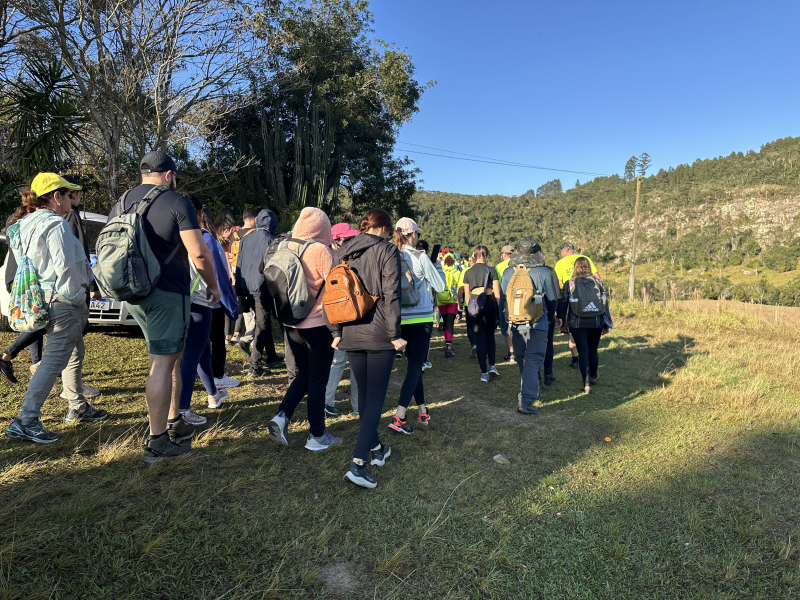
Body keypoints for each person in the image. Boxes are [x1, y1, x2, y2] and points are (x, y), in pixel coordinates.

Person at [112, 151, 220, 462]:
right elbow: (198, 253)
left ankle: (174, 422)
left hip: (134, 293)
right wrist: (212, 286)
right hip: (166, 293)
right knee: (162, 362)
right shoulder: (176, 201)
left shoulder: (121, 202)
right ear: (170, 175)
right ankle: (157, 441)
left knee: (170, 357)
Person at [4, 174, 108, 443]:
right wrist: (77, 300)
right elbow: (66, 269)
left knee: (73, 351)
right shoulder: (55, 225)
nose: (73, 200)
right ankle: (26, 419)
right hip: (63, 300)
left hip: (44, 297)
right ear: (55, 197)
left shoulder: (25, 224)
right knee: (53, 360)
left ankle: (78, 406)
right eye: (68, 194)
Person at [326, 209, 405, 489]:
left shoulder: (342, 251)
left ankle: (377, 448)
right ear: (384, 227)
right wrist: (395, 334)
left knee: (364, 394)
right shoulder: (387, 250)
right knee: (374, 398)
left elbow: (331, 292)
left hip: (349, 329)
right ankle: (358, 463)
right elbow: (392, 293)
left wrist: (335, 331)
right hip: (379, 332)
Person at [267, 208, 339, 451]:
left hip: (290, 324)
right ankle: (316, 434)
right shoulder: (320, 251)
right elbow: (334, 287)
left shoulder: (283, 246)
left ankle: (282, 415)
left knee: (304, 375)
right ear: (322, 229)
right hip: (317, 325)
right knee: (318, 379)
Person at [176, 196, 239, 426]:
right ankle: (182, 409)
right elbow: (220, 275)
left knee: (201, 349)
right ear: (200, 213)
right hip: (201, 300)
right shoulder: (204, 239)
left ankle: (213, 394)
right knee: (191, 356)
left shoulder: (172, 237)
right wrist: (230, 303)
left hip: (177, 300)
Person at [388, 217, 446, 435]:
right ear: (412, 235)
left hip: (400, 319)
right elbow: (440, 287)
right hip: (421, 319)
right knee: (415, 367)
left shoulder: (391, 254)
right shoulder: (421, 256)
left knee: (414, 366)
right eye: (417, 234)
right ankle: (400, 414)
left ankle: (422, 409)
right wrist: (437, 266)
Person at [499, 238, 558, 414]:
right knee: (533, 360)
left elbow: (503, 300)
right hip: (538, 322)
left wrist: (503, 326)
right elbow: (553, 299)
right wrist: (551, 316)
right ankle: (526, 400)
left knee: (523, 359)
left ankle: (529, 387)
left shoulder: (509, 272)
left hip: (515, 324)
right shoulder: (544, 272)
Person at [234, 207, 283, 378]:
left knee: (264, 321)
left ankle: (271, 356)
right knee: (262, 323)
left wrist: (239, 291)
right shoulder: (273, 240)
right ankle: (254, 366)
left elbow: (238, 265)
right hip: (263, 287)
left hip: (246, 286)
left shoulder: (245, 239)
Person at [323, 223, 361, 417]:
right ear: (337, 240)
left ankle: (328, 401)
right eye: (347, 239)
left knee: (338, 363)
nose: (351, 241)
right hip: (353, 319)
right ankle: (357, 406)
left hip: (340, 318)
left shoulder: (332, 259)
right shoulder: (356, 258)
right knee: (354, 363)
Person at [557, 257, 607, 394]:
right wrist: (606, 322)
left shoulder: (570, 283)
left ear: (575, 267)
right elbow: (604, 303)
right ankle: (594, 375)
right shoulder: (598, 282)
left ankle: (586, 383)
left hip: (577, 322)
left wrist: (561, 319)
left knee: (583, 351)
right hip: (596, 321)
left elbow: (564, 303)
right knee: (593, 349)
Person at [554, 242, 600, 370]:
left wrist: (560, 308)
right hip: (588, 300)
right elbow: (597, 278)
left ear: (563, 252)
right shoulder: (586, 259)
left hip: (571, 300)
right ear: (572, 251)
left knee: (572, 329)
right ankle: (588, 355)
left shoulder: (560, 263)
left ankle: (575, 359)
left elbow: (558, 284)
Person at [462, 246, 501, 382]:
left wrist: (470, 308)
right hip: (489, 303)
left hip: (474, 303)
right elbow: (497, 293)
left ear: (474, 255)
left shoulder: (468, 272)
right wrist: (499, 309)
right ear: (487, 255)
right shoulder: (492, 270)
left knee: (479, 338)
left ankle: (483, 372)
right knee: (490, 336)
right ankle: (492, 366)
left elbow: (467, 295)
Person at [435, 252, 461, 358]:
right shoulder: (456, 272)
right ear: (453, 261)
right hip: (452, 301)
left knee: (445, 321)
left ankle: (446, 340)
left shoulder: (440, 271)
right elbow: (459, 288)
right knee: (450, 323)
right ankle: (448, 348)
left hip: (441, 300)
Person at [496, 244, 515, 363]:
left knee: (507, 327)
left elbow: (496, 287)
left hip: (505, 300)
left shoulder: (499, 267)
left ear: (503, 255)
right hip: (521, 300)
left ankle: (511, 353)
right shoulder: (520, 265)